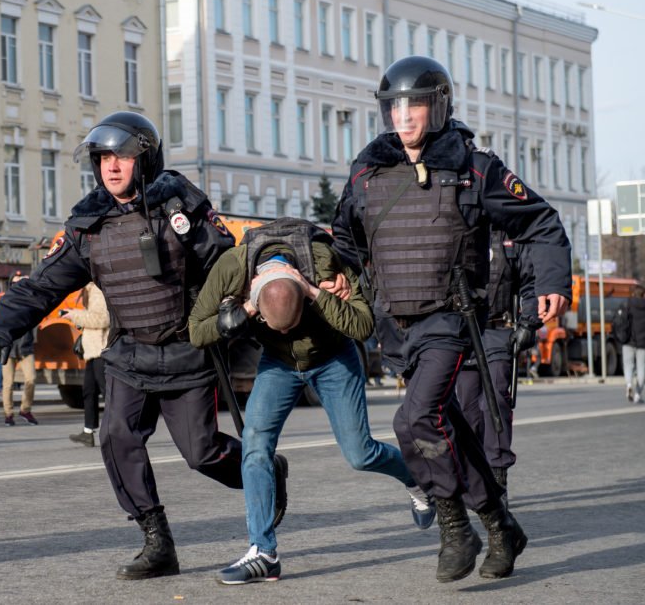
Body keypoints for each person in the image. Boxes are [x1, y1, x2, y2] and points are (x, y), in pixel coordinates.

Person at [0, 111, 277, 580]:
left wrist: (238, 312)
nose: (111, 166)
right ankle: (157, 542)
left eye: (121, 156)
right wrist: (0, 329)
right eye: (102, 158)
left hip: (185, 351)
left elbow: (228, 266)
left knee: (202, 454)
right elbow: (40, 287)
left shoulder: (182, 206)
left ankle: (266, 474)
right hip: (129, 354)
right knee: (116, 438)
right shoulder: (88, 225)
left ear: (146, 158)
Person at [331, 56, 571, 582]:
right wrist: (339, 274)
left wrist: (551, 283)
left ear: (437, 105)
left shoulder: (474, 168)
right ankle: (500, 523)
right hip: (399, 325)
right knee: (452, 432)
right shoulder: (368, 172)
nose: (404, 115)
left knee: (412, 420)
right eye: (395, 105)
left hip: (453, 317)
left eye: (414, 103)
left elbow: (541, 222)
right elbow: (345, 237)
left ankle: (454, 526)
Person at [188, 218, 436, 585]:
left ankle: (416, 479)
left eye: (293, 321)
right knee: (255, 449)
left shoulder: (325, 261)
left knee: (360, 453)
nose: (286, 328)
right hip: (278, 363)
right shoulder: (232, 269)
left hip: (334, 358)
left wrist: (316, 293)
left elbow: (364, 326)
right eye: (277, 323)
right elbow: (197, 331)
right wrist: (244, 312)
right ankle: (264, 552)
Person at [454, 232, 540, 506]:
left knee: (494, 403)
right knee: (466, 406)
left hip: (497, 328)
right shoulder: (459, 228)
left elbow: (530, 283)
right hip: (462, 331)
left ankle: (497, 474)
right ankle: (472, 474)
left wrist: (528, 322)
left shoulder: (510, 235)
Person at [64, 282, 109, 446]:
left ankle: (117, 429)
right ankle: (88, 432)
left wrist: (75, 315)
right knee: (88, 391)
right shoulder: (89, 289)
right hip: (91, 350)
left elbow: (102, 319)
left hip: (100, 350)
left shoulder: (97, 290)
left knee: (107, 392)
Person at [0, 274, 38, 426]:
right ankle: (8, 414)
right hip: (8, 347)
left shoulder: (30, 300)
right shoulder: (5, 300)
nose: (18, 285)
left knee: (31, 379)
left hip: (25, 346)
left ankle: (25, 410)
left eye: (21, 283)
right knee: (8, 383)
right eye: (15, 283)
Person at [625, 286, 645, 403]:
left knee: (628, 365)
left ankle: (628, 384)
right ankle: (637, 394)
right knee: (641, 368)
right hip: (643, 343)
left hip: (628, 341)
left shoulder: (628, 304)